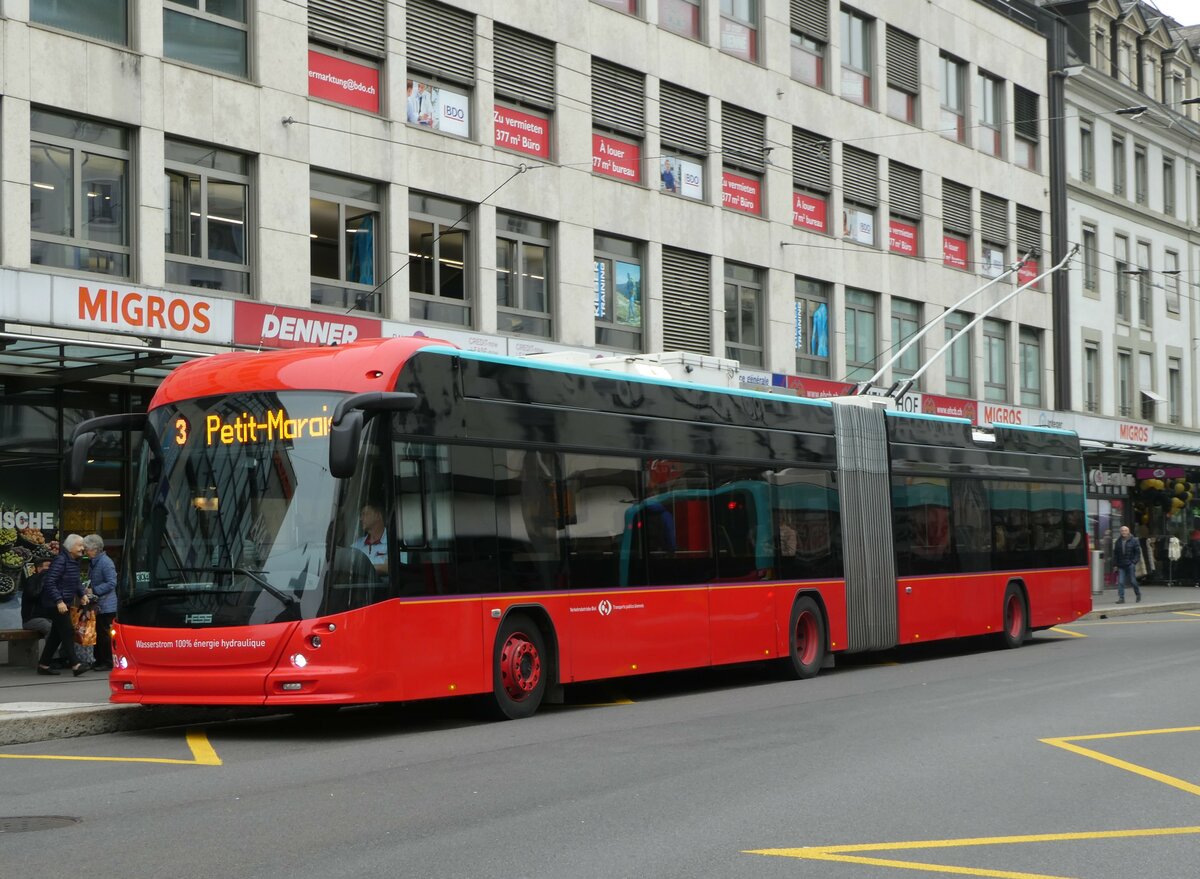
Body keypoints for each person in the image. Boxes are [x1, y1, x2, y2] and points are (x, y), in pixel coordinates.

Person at [36, 533, 89, 676]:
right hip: (55, 604)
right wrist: (58, 601)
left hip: (63, 602)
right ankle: (76, 664)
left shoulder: (74, 561)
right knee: (67, 631)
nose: (82, 548)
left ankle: (43, 665)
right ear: (70, 547)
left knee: (56, 635)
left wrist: (82, 594)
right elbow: (50, 582)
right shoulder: (61, 560)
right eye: (79, 545)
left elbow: (76, 581)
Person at [83, 534, 117, 672]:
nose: (85, 551)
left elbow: (112, 583)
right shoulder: (95, 562)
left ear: (95, 549)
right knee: (97, 633)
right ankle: (99, 660)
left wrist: (94, 589)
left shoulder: (105, 562)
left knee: (104, 635)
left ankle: (107, 661)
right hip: (99, 604)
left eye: (87, 549)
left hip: (106, 605)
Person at [351, 502, 388, 574]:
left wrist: (361, 569)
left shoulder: (393, 541)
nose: (361, 519)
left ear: (377, 515)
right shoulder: (357, 545)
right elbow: (347, 565)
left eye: (364, 514)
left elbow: (394, 566)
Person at [1112, 525, 1142, 604]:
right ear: (1120, 532)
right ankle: (1121, 598)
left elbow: (1138, 553)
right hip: (1121, 565)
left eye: (1125, 531)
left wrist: (1134, 562)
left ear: (1128, 532)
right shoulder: (1118, 541)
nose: (1124, 532)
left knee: (1133, 581)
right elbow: (1115, 554)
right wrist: (1115, 565)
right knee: (1121, 582)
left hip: (1130, 564)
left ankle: (1138, 594)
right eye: (1122, 531)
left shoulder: (1134, 540)